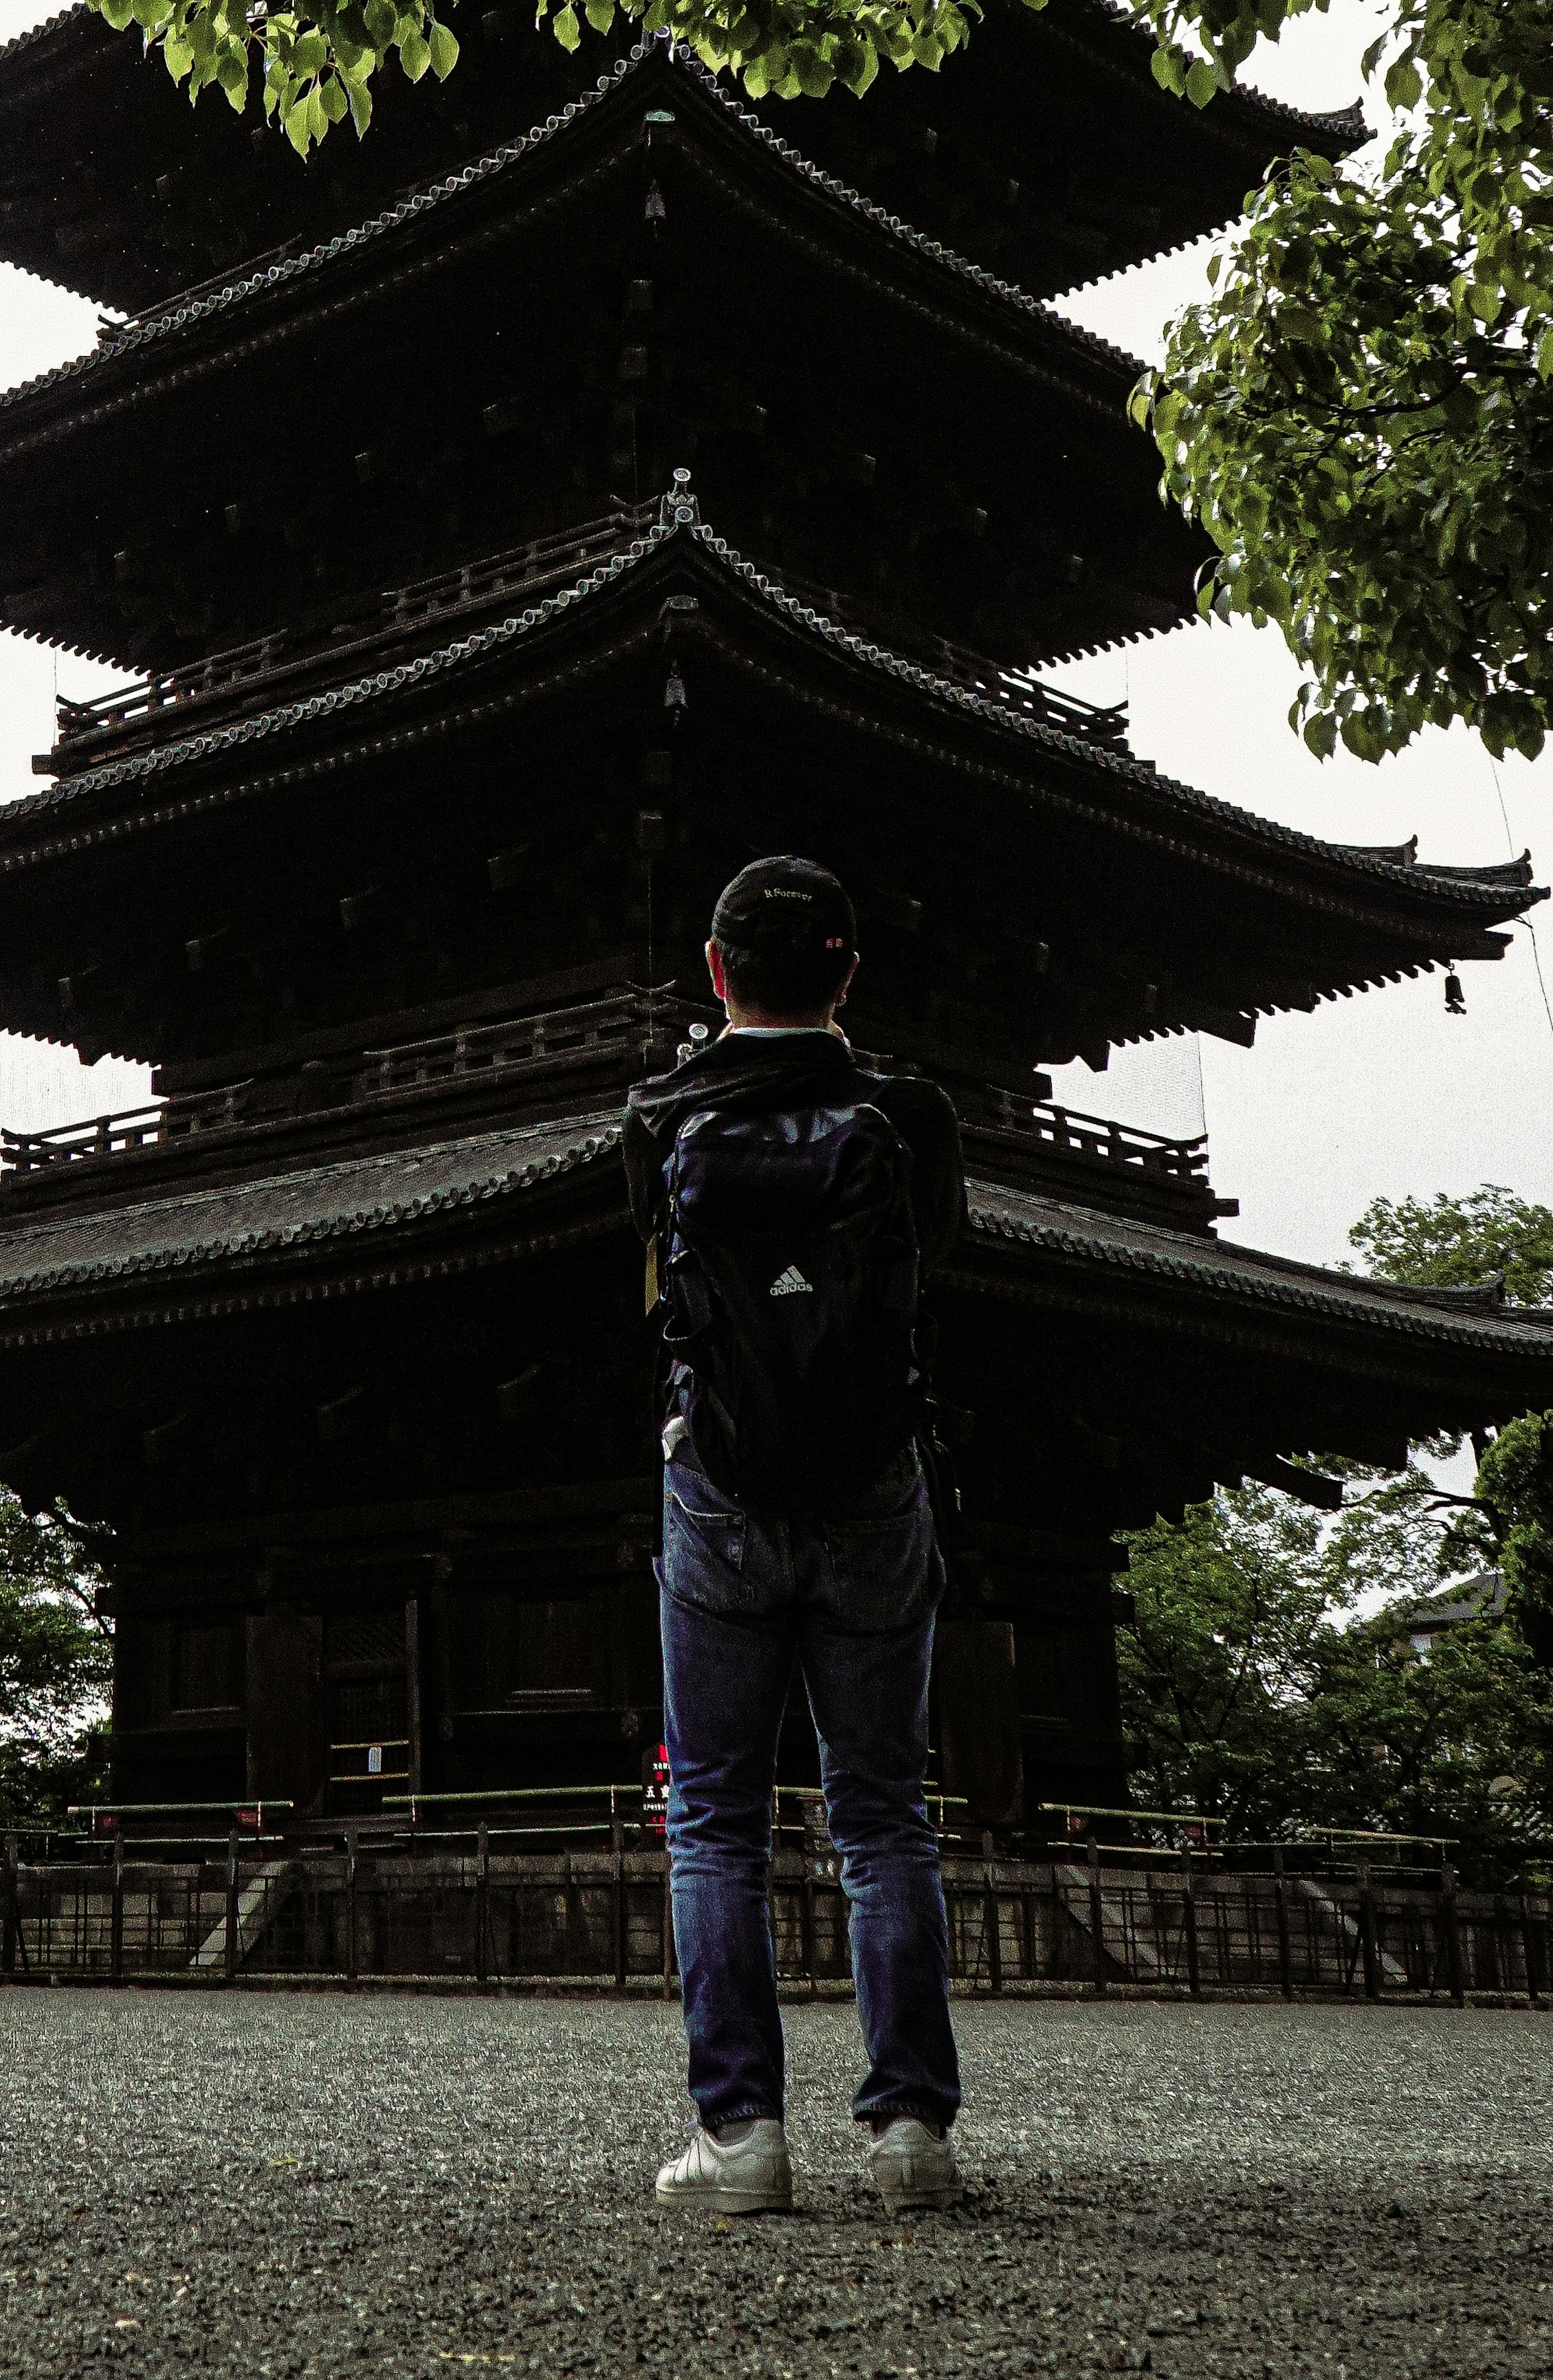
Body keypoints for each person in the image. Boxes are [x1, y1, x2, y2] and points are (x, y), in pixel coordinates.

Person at [622, 855, 967, 2217]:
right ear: (849, 973)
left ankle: (742, 2138)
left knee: (714, 1817)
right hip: (875, 1483)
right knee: (883, 1817)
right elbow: (933, 1258)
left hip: (716, 1484)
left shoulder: (657, 1113)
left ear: (716, 972)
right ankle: (909, 2137)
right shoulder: (909, 1113)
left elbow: (657, 1288)